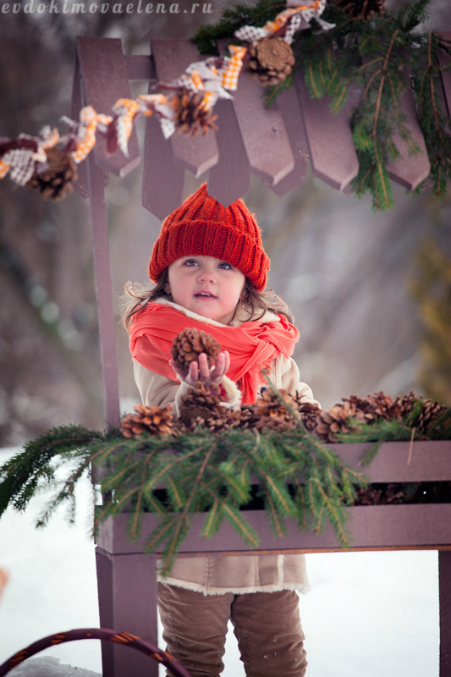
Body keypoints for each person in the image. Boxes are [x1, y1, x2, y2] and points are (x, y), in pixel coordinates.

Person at [122, 183, 320, 677]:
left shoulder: (268, 343)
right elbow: (168, 412)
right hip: (194, 536)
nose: (207, 274)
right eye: (191, 261)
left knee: (279, 656)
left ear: (247, 283)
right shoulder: (159, 337)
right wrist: (203, 392)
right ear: (166, 275)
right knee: (193, 659)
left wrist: (313, 420)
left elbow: (296, 398)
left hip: (268, 532)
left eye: (225, 265)